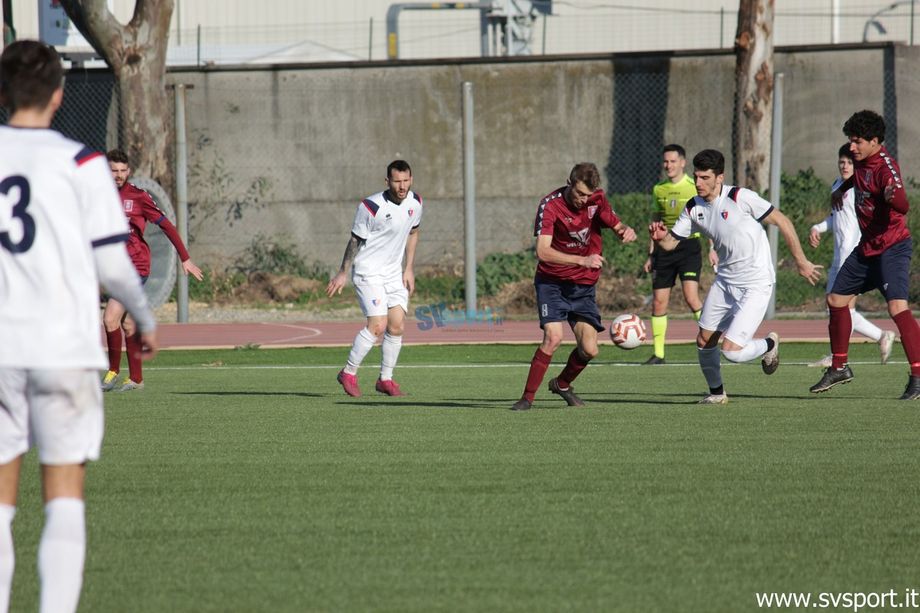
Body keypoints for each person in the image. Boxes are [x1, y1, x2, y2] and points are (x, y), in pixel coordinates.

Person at [0, 40, 157, 613]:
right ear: (60, 96)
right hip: (62, 347)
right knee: (64, 496)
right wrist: (143, 316)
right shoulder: (84, 165)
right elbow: (112, 262)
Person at [649, 149, 822, 404]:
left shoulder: (740, 197)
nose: (698, 183)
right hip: (725, 282)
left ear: (720, 178)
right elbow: (670, 243)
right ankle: (717, 394)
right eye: (696, 177)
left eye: (705, 177)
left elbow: (783, 221)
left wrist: (800, 260)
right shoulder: (694, 207)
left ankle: (769, 346)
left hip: (755, 283)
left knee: (731, 351)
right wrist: (660, 237)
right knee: (704, 340)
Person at [809, 110, 920, 400]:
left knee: (897, 308)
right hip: (867, 247)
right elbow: (858, 179)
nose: (852, 147)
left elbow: (903, 203)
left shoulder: (886, 168)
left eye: (857, 142)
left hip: (892, 247)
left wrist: (890, 195)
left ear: (874, 141)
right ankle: (839, 367)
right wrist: (842, 189)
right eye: (850, 141)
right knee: (836, 300)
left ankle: (919, 376)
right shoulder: (860, 162)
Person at [511, 162, 637, 411]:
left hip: (583, 286)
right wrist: (582, 260)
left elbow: (615, 224)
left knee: (590, 350)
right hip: (552, 283)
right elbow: (543, 251)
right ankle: (527, 398)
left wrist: (625, 231)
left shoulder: (596, 199)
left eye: (588, 195)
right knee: (553, 337)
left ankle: (562, 384)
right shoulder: (551, 205)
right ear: (569, 184)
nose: (583, 200)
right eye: (579, 193)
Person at [100, 149, 202, 392]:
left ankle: (112, 372)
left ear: (129, 171)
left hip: (136, 266)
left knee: (110, 318)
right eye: (114, 170)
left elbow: (167, 226)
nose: (119, 175)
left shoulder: (138, 197)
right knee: (126, 324)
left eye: (123, 170)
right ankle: (136, 379)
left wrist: (185, 259)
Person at [326, 160, 421, 397]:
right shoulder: (371, 206)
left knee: (397, 325)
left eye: (406, 180)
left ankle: (385, 380)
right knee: (377, 325)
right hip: (368, 272)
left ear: (411, 179)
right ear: (387, 181)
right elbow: (355, 240)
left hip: (392, 274)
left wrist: (408, 268)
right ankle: (348, 372)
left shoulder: (416, 202)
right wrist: (342, 272)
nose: (402, 186)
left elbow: (413, 232)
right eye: (397, 181)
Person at [807, 144, 896, 368]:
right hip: (839, 257)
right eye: (842, 162)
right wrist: (817, 227)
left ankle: (850, 351)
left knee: (845, 308)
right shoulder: (837, 185)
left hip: (853, 255)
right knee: (834, 308)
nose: (845, 166)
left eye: (849, 162)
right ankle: (854, 347)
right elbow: (834, 217)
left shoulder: (860, 187)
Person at [642, 144, 717, 365]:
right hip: (664, 249)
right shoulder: (659, 189)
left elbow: (707, 219)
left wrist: (712, 248)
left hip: (688, 247)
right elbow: (655, 225)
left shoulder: (694, 187)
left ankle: (710, 341)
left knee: (691, 298)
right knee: (658, 302)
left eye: (673, 161)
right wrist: (650, 254)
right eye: (666, 161)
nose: (669, 165)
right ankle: (659, 355)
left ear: (683, 163)